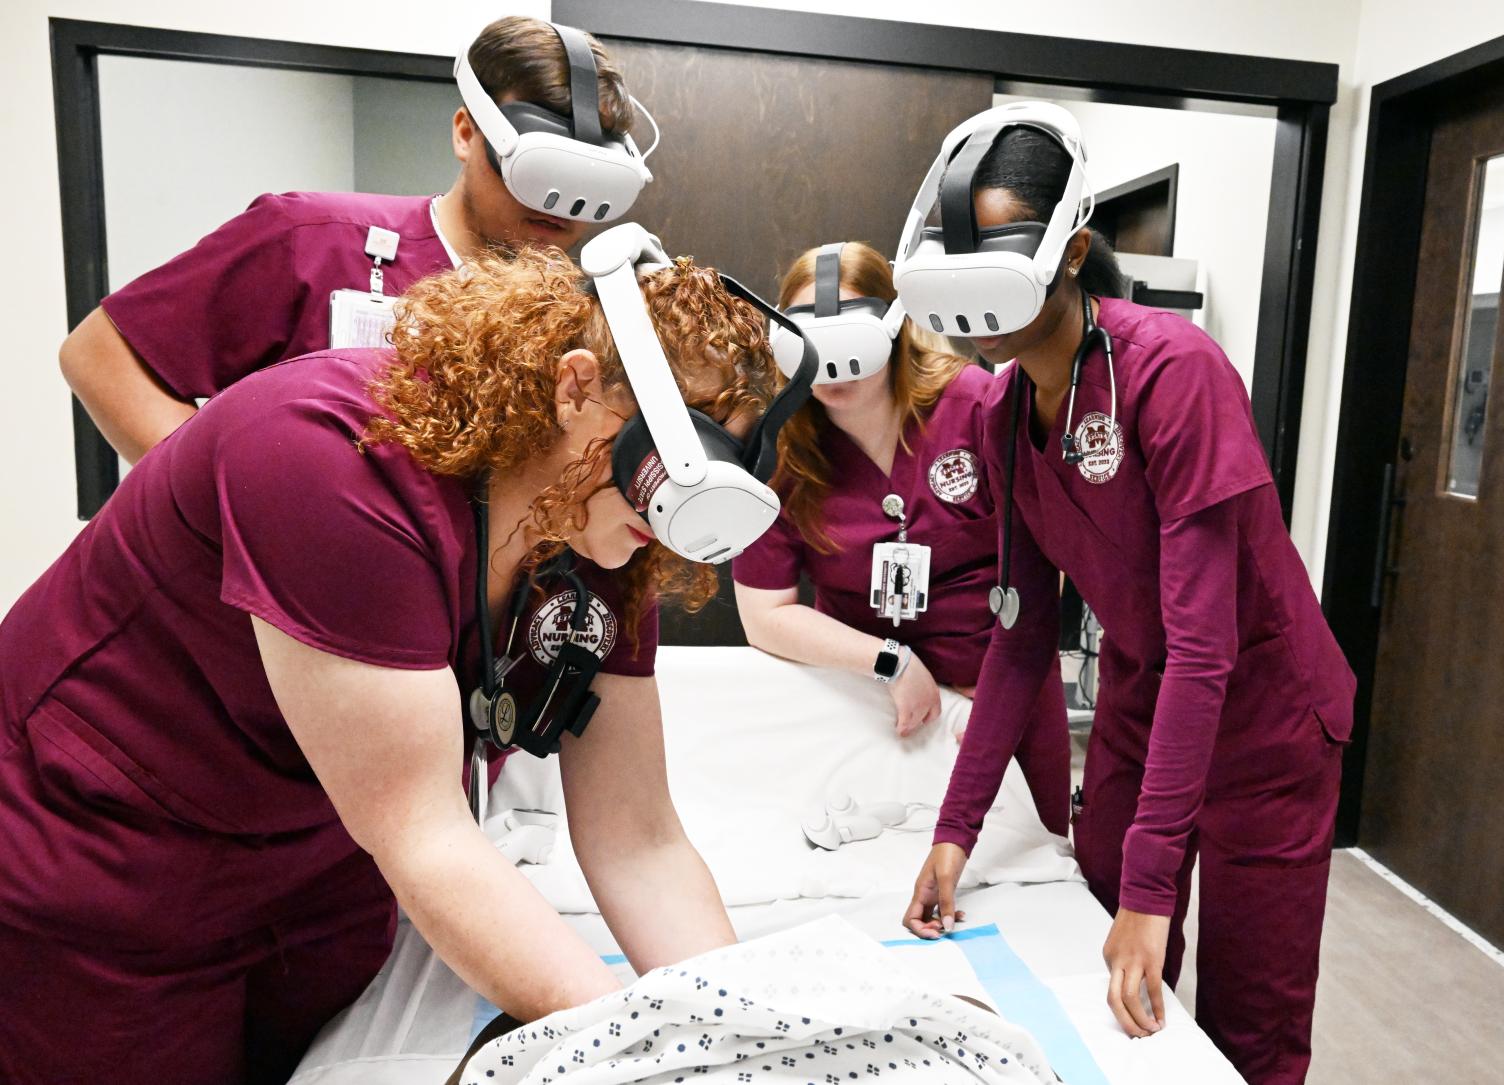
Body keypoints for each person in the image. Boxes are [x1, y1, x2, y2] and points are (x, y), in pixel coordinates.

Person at [0, 248, 774, 1084]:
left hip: (319, 870)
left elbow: (638, 839)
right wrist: (625, 1050)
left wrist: (737, 1041)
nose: (668, 517)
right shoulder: (329, 459)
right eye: (662, 466)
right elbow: (427, 835)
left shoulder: (600, 525)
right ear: (575, 385)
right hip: (112, 859)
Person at [899, 108, 1355, 1085]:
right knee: (1095, 939)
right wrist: (954, 829)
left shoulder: (1173, 373)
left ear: (1067, 248)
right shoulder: (1006, 407)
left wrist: (1154, 891)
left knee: (1248, 1014)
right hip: (1147, 689)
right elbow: (1019, 637)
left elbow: (1208, 647)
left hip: (1264, 710)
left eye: (1001, 249)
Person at [59, 14, 635, 464]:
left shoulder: (580, 318)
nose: (555, 205)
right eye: (539, 170)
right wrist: (228, 504)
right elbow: (100, 357)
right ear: (467, 134)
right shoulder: (310, 238)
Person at [733, 241, 1071, 836]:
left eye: (850, 343)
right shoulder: (782, 452)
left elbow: (1049, 559)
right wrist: (888, 662)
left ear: (893, 328)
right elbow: (764, 616)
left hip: (1001, 687)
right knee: (873, 848)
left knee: (1027, 855)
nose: (832, 370)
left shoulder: (976, 406)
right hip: (867, 698)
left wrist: (999, 693)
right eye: (812, 345)